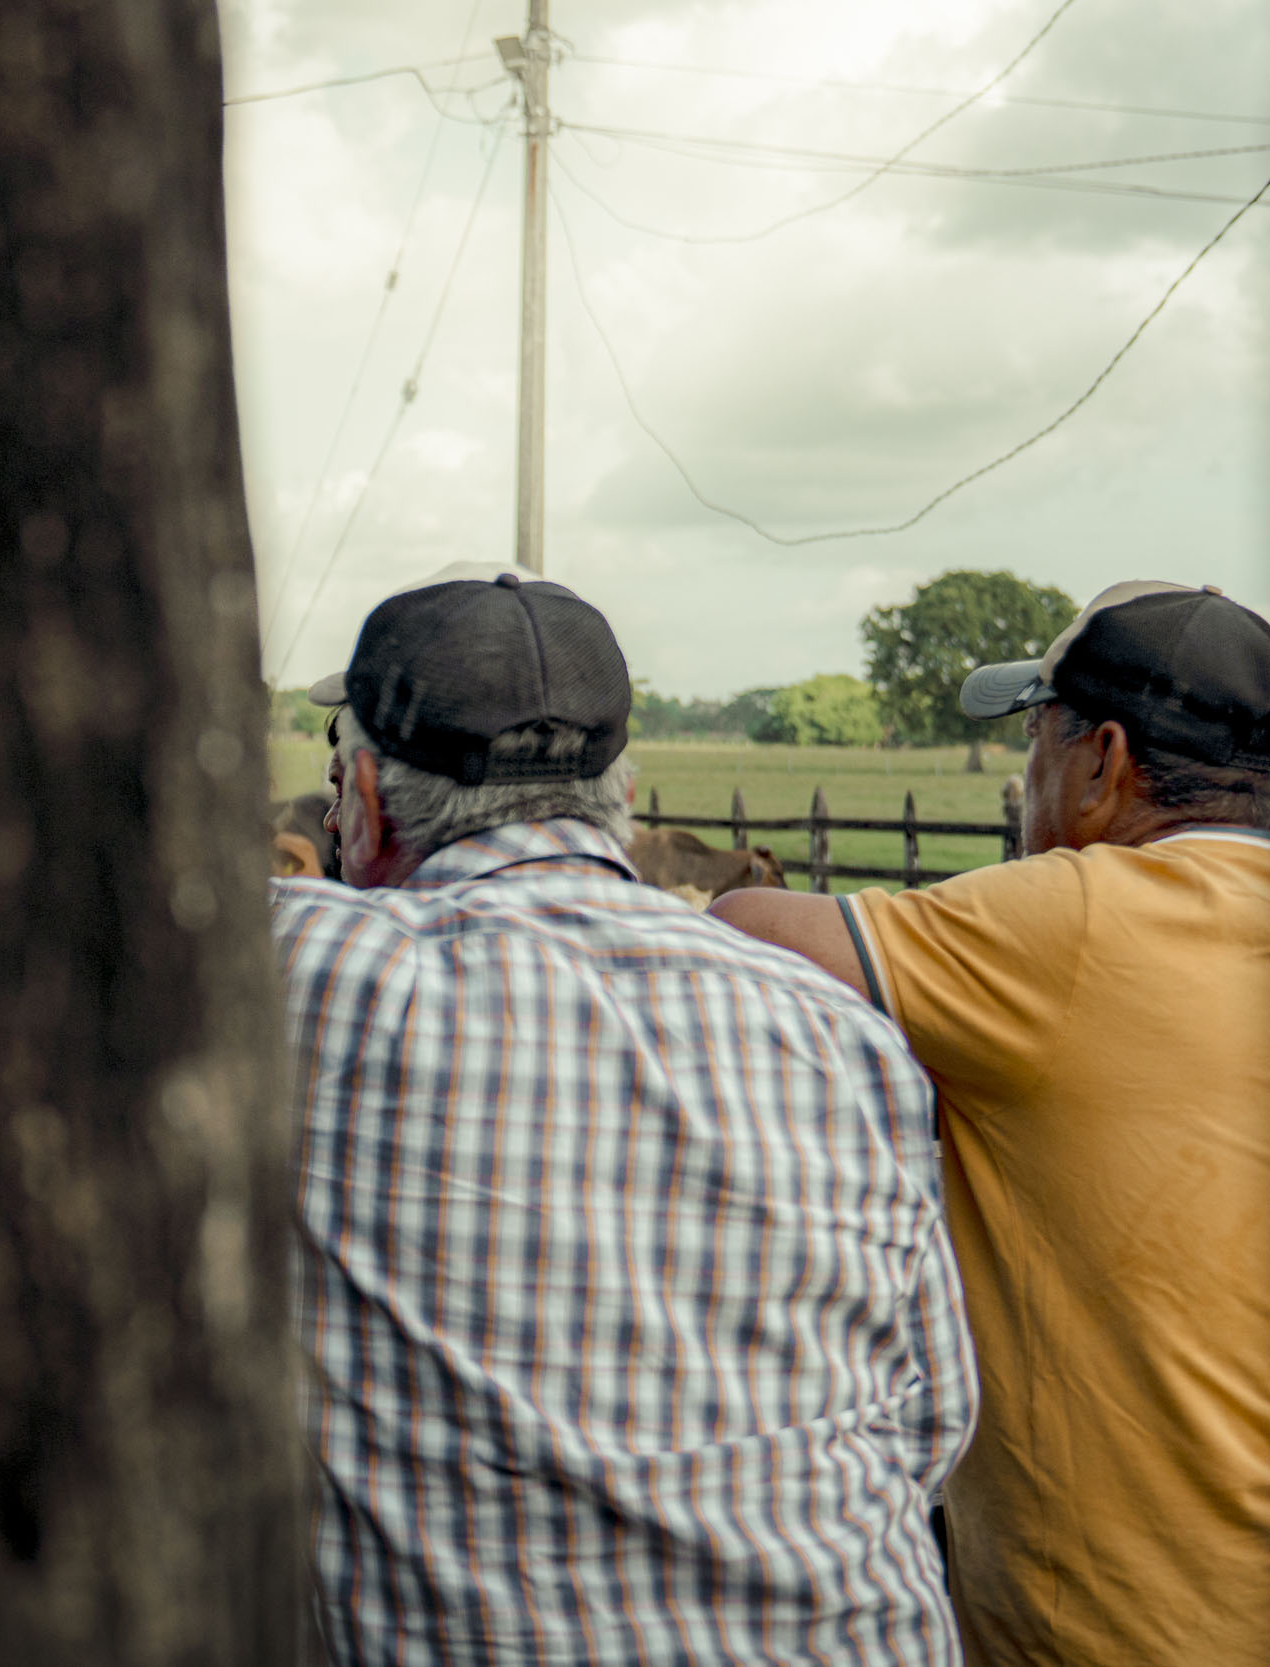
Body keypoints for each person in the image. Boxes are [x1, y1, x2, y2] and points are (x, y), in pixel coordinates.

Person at [276, 569, 975, 1663]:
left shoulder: (324, 972)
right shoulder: (838, 1034)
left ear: (360, 801)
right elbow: (930, 1418)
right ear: (626, 797)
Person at [711, 580, 1270, 1667]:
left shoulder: (1076, 917)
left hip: (1117, 1626)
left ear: (1101, 760)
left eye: (1032, 736)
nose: (1024, 780)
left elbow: (745, 925)